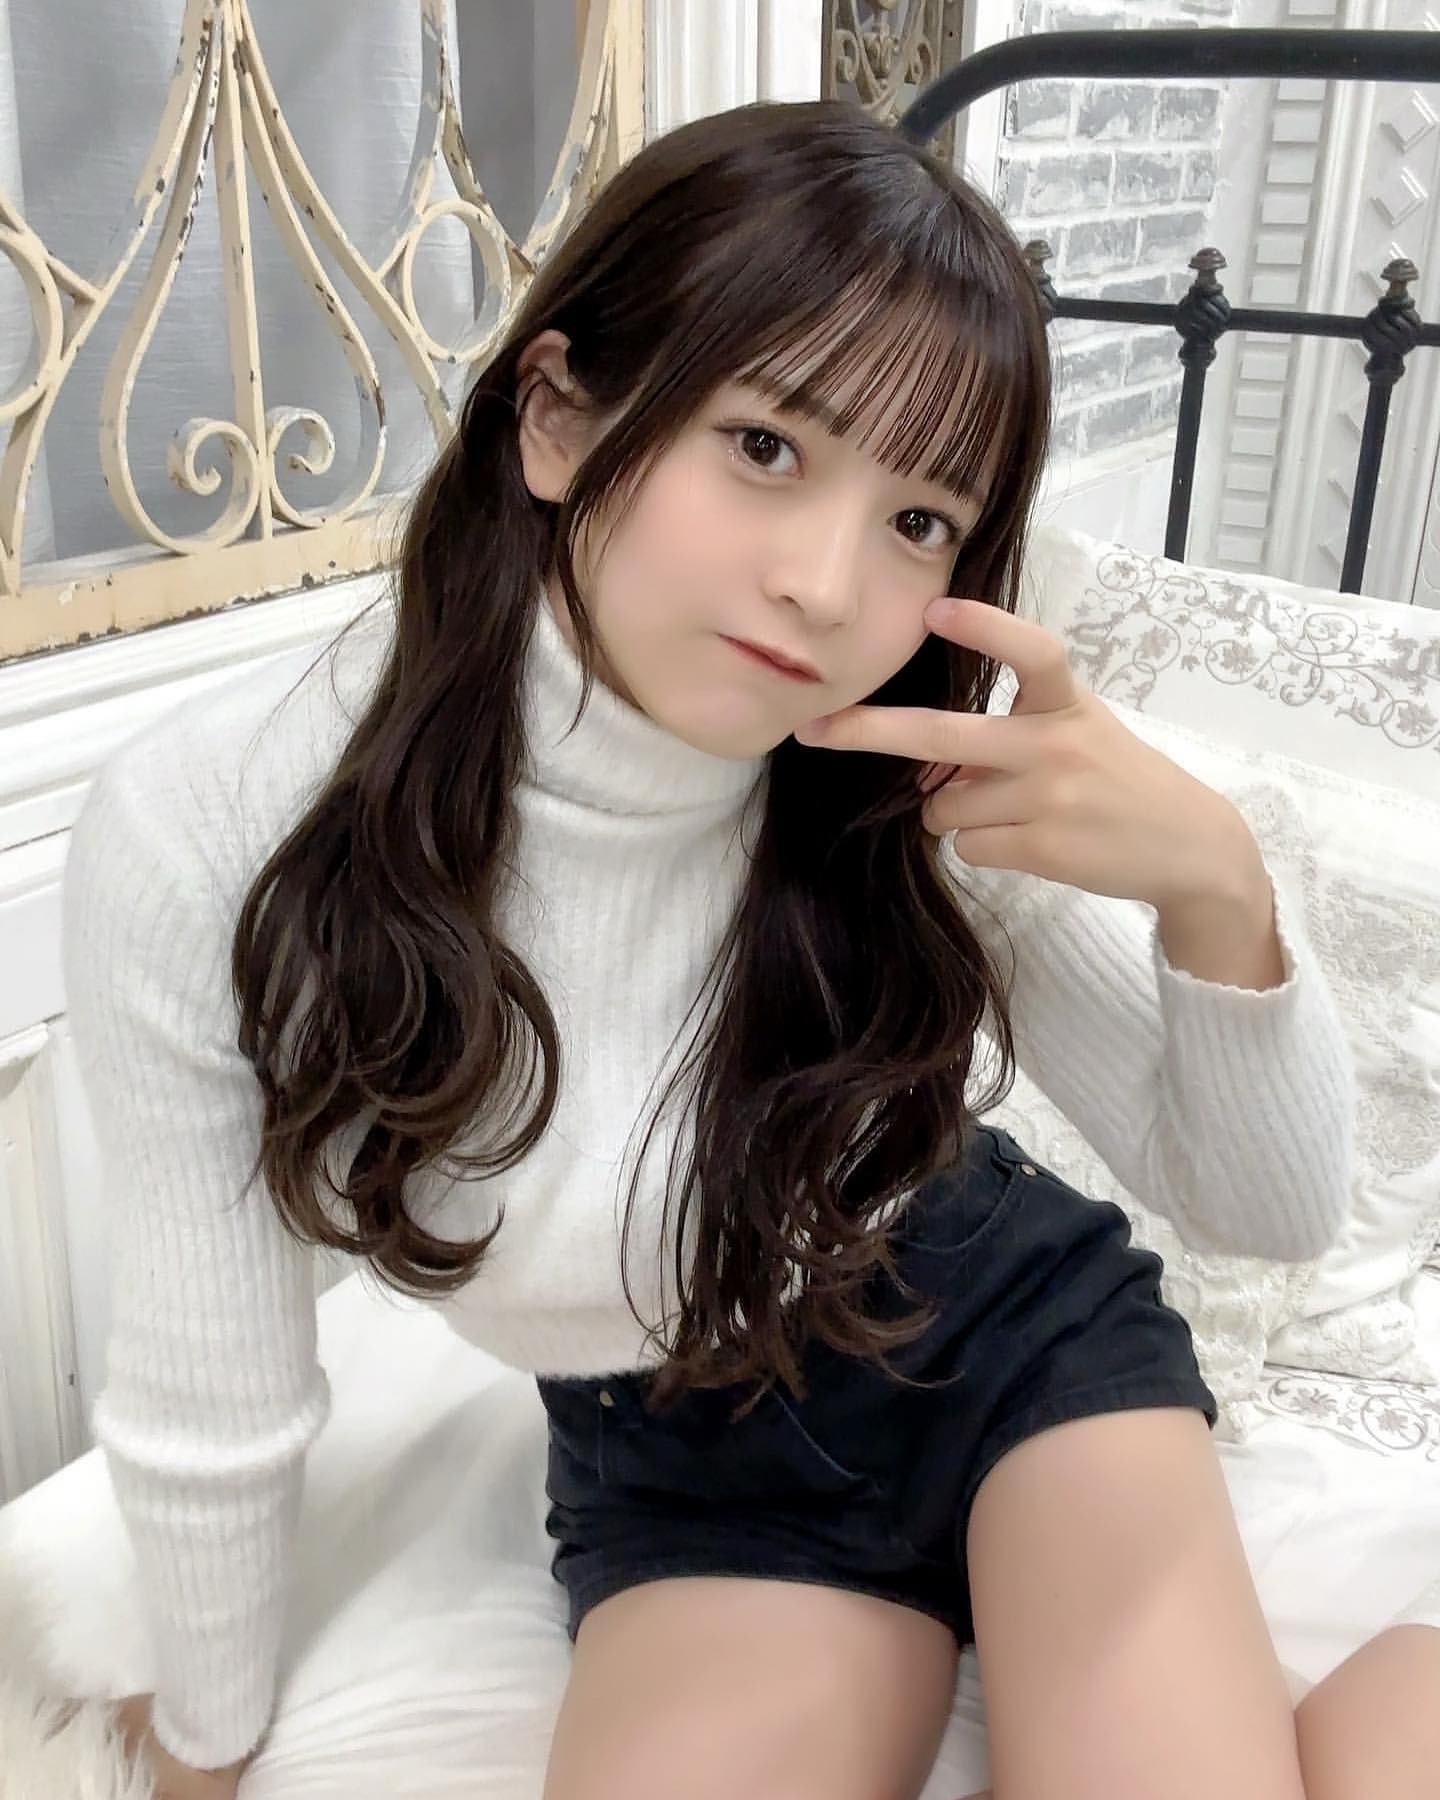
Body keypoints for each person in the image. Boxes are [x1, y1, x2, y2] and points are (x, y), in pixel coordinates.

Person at [63, 100, 1438, 1800]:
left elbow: (1270, 1213)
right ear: (557, 414)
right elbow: (212, 1383)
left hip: (1015, 1333)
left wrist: (1218, 892)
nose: (826, 587)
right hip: (695, 1447)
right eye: (768, 447)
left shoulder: (901, 777)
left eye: (920, 522)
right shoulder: (218, 826)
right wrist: (201, 1746)